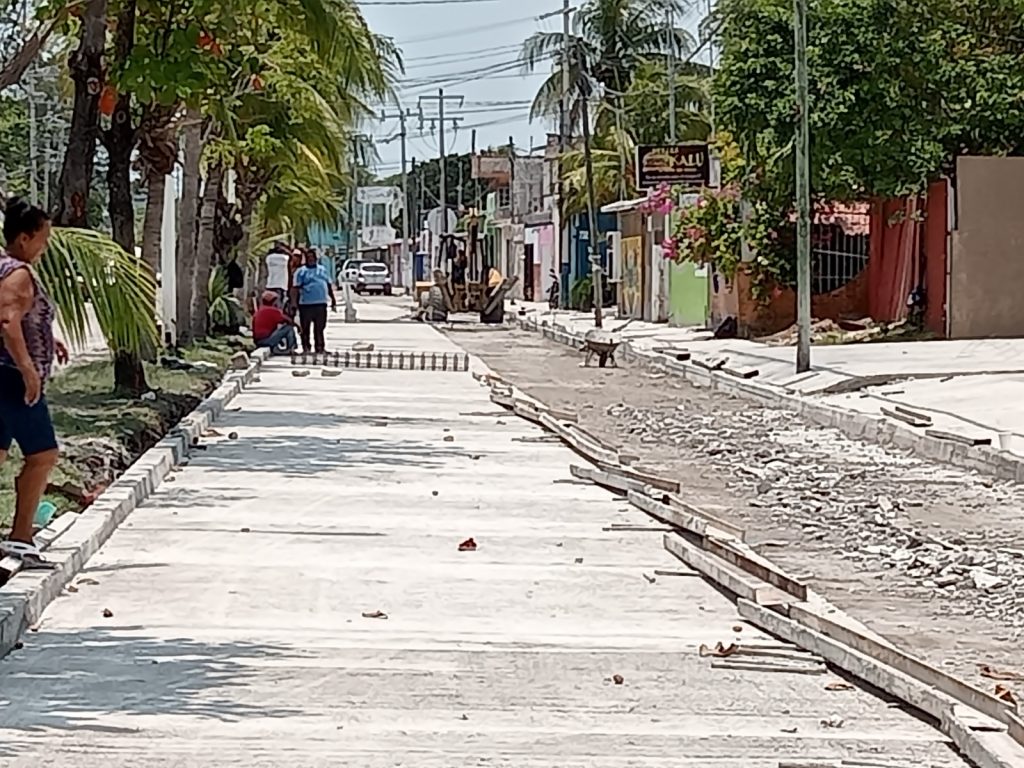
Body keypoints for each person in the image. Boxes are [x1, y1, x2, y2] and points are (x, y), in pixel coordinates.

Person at [0, 198, 67, 569]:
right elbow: (8, 321)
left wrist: (47, 337)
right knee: (43, 455)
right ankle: (21, 537)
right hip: (11, 377)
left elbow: (21, 318)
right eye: (43, 237)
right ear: (24, 238)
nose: (45, 245)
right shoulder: (19, 273)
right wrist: (27, 370)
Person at [292, 249, 336, 354]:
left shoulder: (322, 270)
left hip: (321, 303)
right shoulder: (301, 271)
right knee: (305, 328)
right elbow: (295, 288)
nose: (311, 259)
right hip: (306, 304)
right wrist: (294, 303)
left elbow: (328, 285)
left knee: (320, 327)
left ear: (316, 258)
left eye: (312, 257)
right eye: (308, 257)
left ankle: (320, 347)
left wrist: (333, 300)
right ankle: (306, 348)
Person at [264, 242, 290, 308]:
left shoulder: (269, 258)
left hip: (270, 284)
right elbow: (291, 255)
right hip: (281, 285)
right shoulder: (285, 258)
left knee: (269, 305)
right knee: (279, 307)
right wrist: (285, 249)